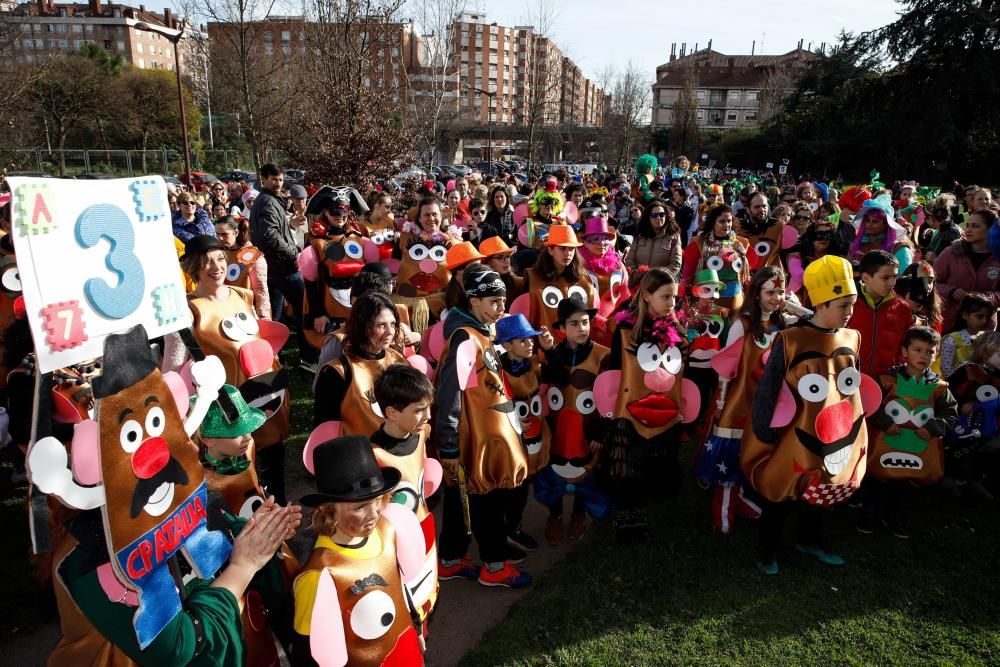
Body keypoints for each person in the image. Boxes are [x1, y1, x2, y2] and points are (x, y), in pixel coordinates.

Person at [742, 255, 875, 575]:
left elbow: (851, 387)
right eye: (843, 305)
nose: (850, 312)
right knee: (784, 491)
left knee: (825, 488)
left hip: (837, 432)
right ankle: (767, 548)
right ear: (821, 303)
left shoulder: (851, 338)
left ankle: (810, 539)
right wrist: (763, 429)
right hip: (797, 434)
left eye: (852, 304)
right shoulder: (791, 340)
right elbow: (769, 387)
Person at [166, 234, 292, 505]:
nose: (216, 267)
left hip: (267, 391)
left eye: (221, 259)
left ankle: (279, 514)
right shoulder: (187, 312)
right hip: (228, 410)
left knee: (273, 458)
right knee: (241, 480)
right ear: (193, 267)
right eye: (207, 261)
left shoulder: (241, 295)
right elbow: (173, 369)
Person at [435, 264, 532, 588]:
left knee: (459, 498)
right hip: (472, 440)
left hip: (481, 436)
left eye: (503, 300)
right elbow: (449, 393)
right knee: (484, 500)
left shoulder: (480, 332)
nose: (501, 308)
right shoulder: (466, 338)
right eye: (494, 301)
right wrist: (449, 444)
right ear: (473, 300)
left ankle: (450, 558)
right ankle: (493, 566)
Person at [292, 436, 425, 666]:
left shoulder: (387, 531)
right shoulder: (320, 575)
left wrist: (416, 625)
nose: (374, 513)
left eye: (377, 500)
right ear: (328, 509)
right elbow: (309, 650)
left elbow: (399, 587)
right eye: (360, 507)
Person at [199, 384, 300, 664]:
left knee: (285, 587)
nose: (247, 437)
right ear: (208, 439)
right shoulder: (199, 479)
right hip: (234, 551)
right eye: (236, 432)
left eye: (248, 428)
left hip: (265, 537)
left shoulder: (249, 449)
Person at [602, 268, 697, 543]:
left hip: (662, 411)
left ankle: (639, 512)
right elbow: (617, 371)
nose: (671, 303)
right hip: (629, 410)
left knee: (649, 464)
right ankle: (623, 516)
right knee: (627, 465)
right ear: (646, 295)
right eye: (665, 297)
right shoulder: (625, 330)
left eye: (674, 298)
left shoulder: (676, 330)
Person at [697, 266, 787, 533]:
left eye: (781, 292)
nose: (776, 297)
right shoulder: (742, 323)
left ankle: (744, 499)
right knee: (731, 459)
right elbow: (726, 367)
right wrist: (722, 405)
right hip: (740, 400)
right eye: (770, 291)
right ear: (756, 294)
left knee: (756, 454)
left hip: (768, 404)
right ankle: (722, 512)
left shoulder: (782, 325)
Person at [860, 326, 958, 538]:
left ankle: (894, 517)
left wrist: (933, 428)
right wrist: (885, 422)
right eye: (917, 349)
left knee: (903, 483)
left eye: (930, 351)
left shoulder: (939, 388)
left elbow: (950, 414)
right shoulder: (888, 380)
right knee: (877, 479)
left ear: (937, 354)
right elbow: (870, 404)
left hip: (916, 448)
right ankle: (868, 513)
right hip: (885, 443)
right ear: (905, 351)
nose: (923, 355)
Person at [537, 296, 611, 544]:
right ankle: (555, 515)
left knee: (585, 469)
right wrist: (549, 350)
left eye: (585, 322)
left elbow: (609, 398)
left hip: (588, 429)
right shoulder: (552, 354)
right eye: (574, 324)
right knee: (556, 470)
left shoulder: (603, 356)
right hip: (559, 428)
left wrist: (600, 433)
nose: (582, 329)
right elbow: (555, 379)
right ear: (561, 328)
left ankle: (579, 513)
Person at [370, 364, 441, 624]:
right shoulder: (374, 455)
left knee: (428, 591)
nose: (428, 416)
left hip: (426, 528)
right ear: (391, 412)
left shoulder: (421, 434)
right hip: (397, 543)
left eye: (428, 407)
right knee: (405, 600)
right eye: (419, 410)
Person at [494, 314, 554, 554]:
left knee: (523, 488)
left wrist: (550, 351)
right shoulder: (496, 371)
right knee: (512, 489)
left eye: (531, 339)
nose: (530, 344)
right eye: (523, 340)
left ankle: (514, 527)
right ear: (507, 345)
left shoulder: (534, 363)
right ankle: (505, 531)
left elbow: (556, 375)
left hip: (535, 436)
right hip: (510, 441)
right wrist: (511, 420)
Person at [313, 292, 407, 436]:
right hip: (356, 453)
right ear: (362, 326)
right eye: (381, 325)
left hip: (397, 452)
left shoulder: (398, 361)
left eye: (393, 324)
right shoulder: (337, 372)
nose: (390, 332)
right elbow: (325, 427)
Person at [249, 163, 315, 368]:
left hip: (273, 266)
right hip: (282, 266)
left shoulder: (268, 200)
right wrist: (293, 251)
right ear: (264, 179)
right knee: (303, 309)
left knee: (274, 317)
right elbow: (269, 236)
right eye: (273, 179)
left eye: (280, 179)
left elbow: (274, 231)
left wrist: (290, 227)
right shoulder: (268, 201)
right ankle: (308, 357)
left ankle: (271, 358)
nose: (278, 183)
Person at [846, 250, 913, 377]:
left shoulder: (903, 308)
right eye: (885, 278)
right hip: (848, 377)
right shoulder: (847, 303)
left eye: (894, 277)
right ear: (866, 278)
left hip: (887, 380)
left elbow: (906, 345)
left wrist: (897, 370)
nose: (892, 283)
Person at [523, 226, 597, 335]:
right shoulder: (534, 276)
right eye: (562, 248)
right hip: (546, 341)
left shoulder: (583, 277)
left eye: (571, 249)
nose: (567, 253)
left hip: (579, 339)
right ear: (550, 250)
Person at [934, 209, 1000, 332]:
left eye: (975, 226)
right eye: (968, 225)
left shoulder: (998, 257)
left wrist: (984, 298)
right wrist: (951, 291)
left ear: (991, 230)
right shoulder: (951, 252)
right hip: (949, 323)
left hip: (983, 327)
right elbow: (932, 282)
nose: (968, 230)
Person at [681, 204, 750, 312]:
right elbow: (687, 274)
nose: (727, 225)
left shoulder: (742, 244)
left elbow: (745, 277)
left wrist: (750, 296)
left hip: (736, 303)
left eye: (729, 221)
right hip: (708, 303)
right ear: (713, 222)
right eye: (722, 221)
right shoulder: (699, 243)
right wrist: (684, 298)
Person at [215, 215, 271, 319]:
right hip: (223, 310)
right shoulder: (217, 252)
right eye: (217, 234)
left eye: (224, 234)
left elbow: (260, 290)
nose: (220, 238)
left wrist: (263, 316)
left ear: (236, 233)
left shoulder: (252, 254)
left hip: (246, 312)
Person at [847, 197, 913, 276]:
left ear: (886, 224)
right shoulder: (857, 245)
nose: (869, 224)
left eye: (875, 221)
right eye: (867, 220)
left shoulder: (899, 249)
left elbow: (904, 279)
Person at [938, 293, 994, 378]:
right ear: (965, 315)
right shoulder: (952, 339)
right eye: (979, 316)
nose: (984, 321)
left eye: (987, 317)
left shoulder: (986, 339)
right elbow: (946, 369)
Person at [624, 198, 682, 276]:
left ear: (666, 216)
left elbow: (675, 264)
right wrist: (638, 275)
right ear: (648, 217)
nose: (658, 218)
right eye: (654, 215)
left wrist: (655, 278)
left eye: (662, 214)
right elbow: (629, 260)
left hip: (661, 284)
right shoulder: (640, 237)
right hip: (638, 282)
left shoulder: (673, 237)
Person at [480, 235, 525, 300]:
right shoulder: (478, 288)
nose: (507, 261)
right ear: (487, 261)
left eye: (508, 256)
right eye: (500, 257)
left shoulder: (520, 283)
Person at [921, 193, 960, 262]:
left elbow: (957, 260)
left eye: (927, 217)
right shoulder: (942, 229)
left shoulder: (952, 233)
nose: (925, 220)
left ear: (934, 217)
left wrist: (936, 259)